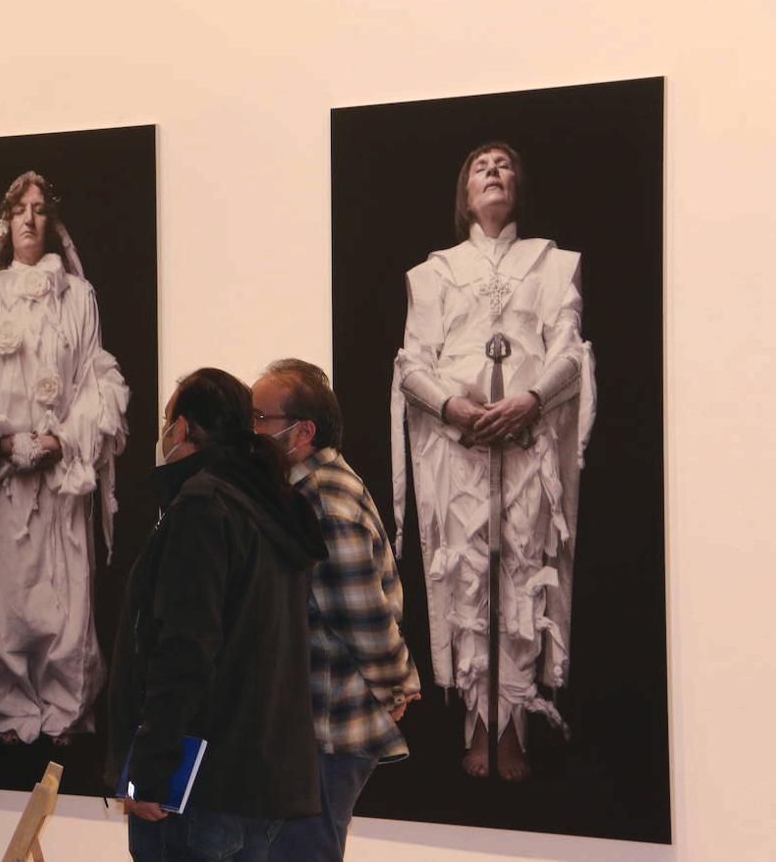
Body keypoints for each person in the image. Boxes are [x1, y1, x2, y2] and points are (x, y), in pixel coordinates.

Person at [392, 142, 596, 781]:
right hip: (460, 449)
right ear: (464, 192)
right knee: (467, 574)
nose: (493, 171)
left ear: (519, 186)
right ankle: (476, 726)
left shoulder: (554, 264)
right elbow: (412, 363)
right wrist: (452, 407)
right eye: (480, 165)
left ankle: (514, 729)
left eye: (504, 164)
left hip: (528, 447)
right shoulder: (432, 274)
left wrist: (533, 400)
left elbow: (570, 350)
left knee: (523, 574)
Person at [0, 171, 129, 745]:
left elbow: (92, 375)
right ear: (5, 223)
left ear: (51, 222)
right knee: (4, 597)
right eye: (19, 210)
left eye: (39, 210)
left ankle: (64, 708)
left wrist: (64, 437)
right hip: (2, 474)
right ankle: (10, 709)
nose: (29, 220)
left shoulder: (77, 297)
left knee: (64, 593)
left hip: (57, 475)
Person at [108, 368, 323, 861]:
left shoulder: (205, 506)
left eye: (167, 421)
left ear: (181, 429)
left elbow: (184, 648)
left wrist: (150, 771)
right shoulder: (271, 503)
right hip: (260, 783)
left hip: (199, 792)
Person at [252, 359, 420, 862]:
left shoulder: (320, 499)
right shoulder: (305, 488)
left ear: (301, 431)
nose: (251, 430)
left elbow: (360, 613)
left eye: (259, 417)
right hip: (314, 732)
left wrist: (396, 685)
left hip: (326, 732)